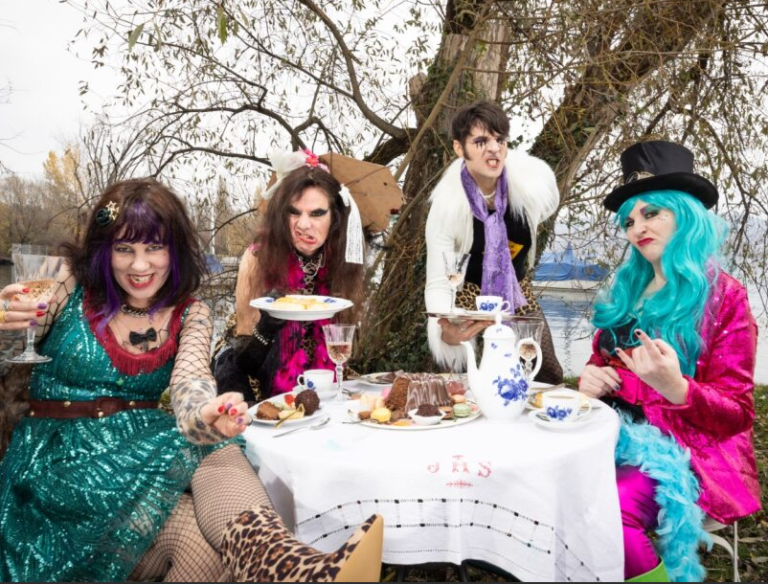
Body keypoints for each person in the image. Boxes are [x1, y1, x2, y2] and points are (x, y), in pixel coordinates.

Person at [0, 178, 382, 582]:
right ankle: (291, 570)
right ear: (103, 249)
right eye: (124, 249)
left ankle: (286, 564)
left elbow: (191, 382)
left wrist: (205, 414)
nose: (140, 266)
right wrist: (6, 323)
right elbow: (15, 342)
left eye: (154, 248)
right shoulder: (65, 281)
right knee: (204, 508)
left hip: (137, 450)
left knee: (204, 530)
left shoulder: (191, 311)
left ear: (175, 249)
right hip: (59, 462)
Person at [579, 141, 761, 582]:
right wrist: (589, 379)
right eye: (629, 220)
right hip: (611, 436)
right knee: (554, 488)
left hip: (689, 453)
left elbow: (738, 413)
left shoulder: (725, 297)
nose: (637, 227)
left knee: (612, 510)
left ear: (684, 214)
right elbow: (600, 361)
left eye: (651, 213)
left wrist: (677, 387)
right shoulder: (626, 292)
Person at [425, 100, 563, 382]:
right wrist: (444, 326)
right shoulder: (447, 206)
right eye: (480, 141)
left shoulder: (527, 187)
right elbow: (439, 280)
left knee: (545, 373)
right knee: (464, 383)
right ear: (459, 148)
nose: (493, 149)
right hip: (467, 299)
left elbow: (550, 203)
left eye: (499, 140)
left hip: (516, 292)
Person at [213, 150, 365, 402]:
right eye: (294, 212)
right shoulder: (258, 257)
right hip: (257, 386)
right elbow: (245, 364)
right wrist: (266, 326)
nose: (303, 225)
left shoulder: (343, 262)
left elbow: (344, 348)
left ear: (335, 217)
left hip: (321, 385)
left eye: (317, 213)